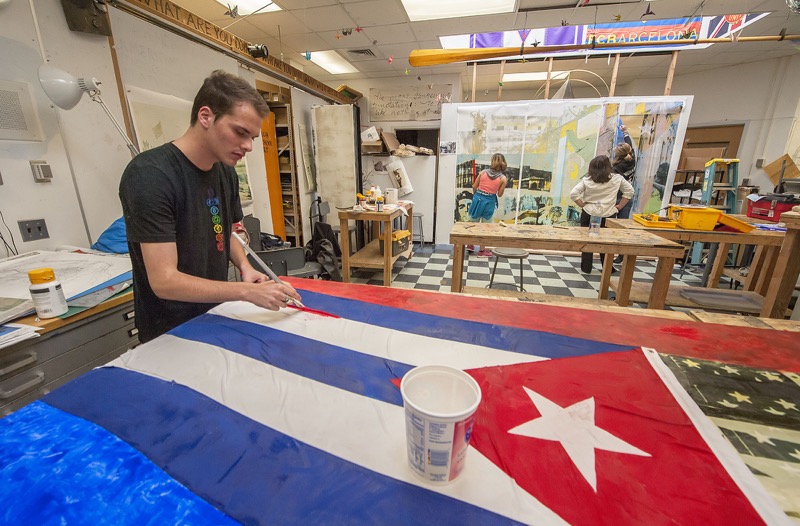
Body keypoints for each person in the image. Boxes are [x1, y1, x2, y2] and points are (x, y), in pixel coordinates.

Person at [119, 70, 301, 343]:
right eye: (240, 132)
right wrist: (245, 292)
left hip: (216, 314)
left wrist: (244, 266)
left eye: (252, 136)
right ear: (206, 116)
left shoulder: (224, 171)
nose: (248, 146)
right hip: (170, 331)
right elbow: (164, 280)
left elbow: (223, 230)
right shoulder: (150, 175)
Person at [570, 155, 634, 274]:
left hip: (589, 213)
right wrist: (620, 206)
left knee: (586, 240)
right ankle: (608, 267)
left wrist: (582, 205)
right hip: (608, 214)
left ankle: (586, 267)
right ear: (609, 167)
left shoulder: (587, 180)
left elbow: (574, 194)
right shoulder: (617, 179)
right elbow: (629, 191)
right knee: (606, 242)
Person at [467, 153, 508, 257]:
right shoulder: (503, 178)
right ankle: (482, 251)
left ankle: (470, 244)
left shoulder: (483, 173)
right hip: (489, 202)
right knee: (486, 227)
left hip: (477, 199)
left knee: (473, 223)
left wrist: (478, 196)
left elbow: (474, 186)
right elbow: (499, 194)